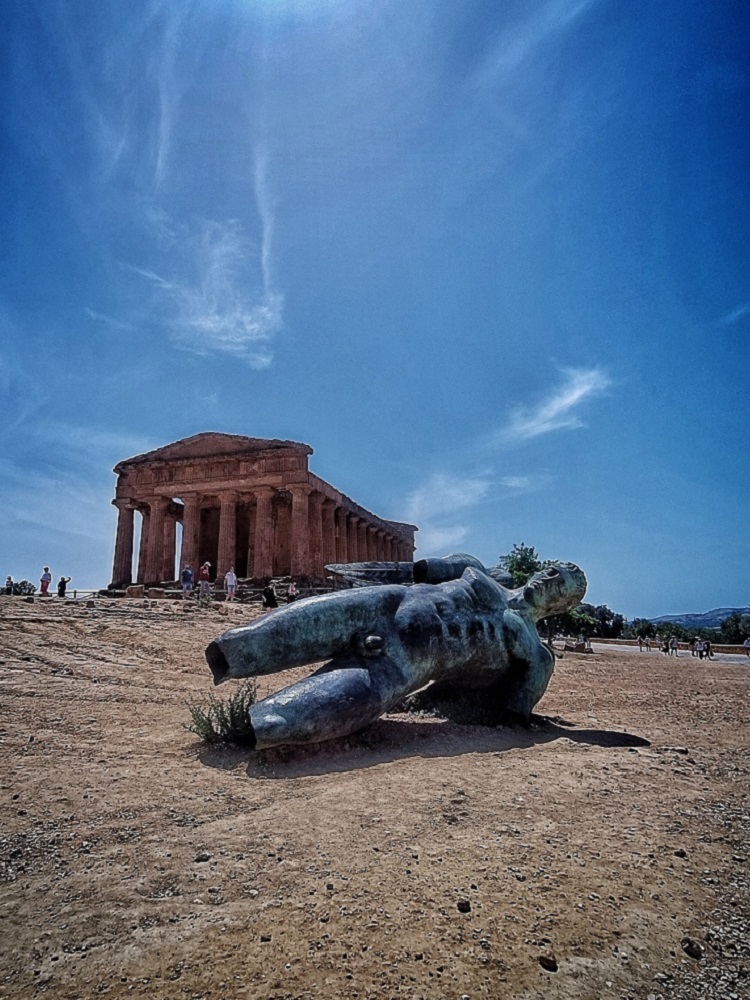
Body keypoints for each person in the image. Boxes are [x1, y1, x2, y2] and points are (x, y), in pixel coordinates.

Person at [206, 559, 587, 751]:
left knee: (288, 720)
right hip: (387, 604)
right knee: (253, 639)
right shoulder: (481, 570)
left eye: (561, 587)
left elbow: (512, 710)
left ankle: (245, 730)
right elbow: (412, 570)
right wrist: (366, 573)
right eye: (552, 572)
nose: (549, 582)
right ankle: (228, 658)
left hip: (404, 665)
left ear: (562, 605)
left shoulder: (537, 653)